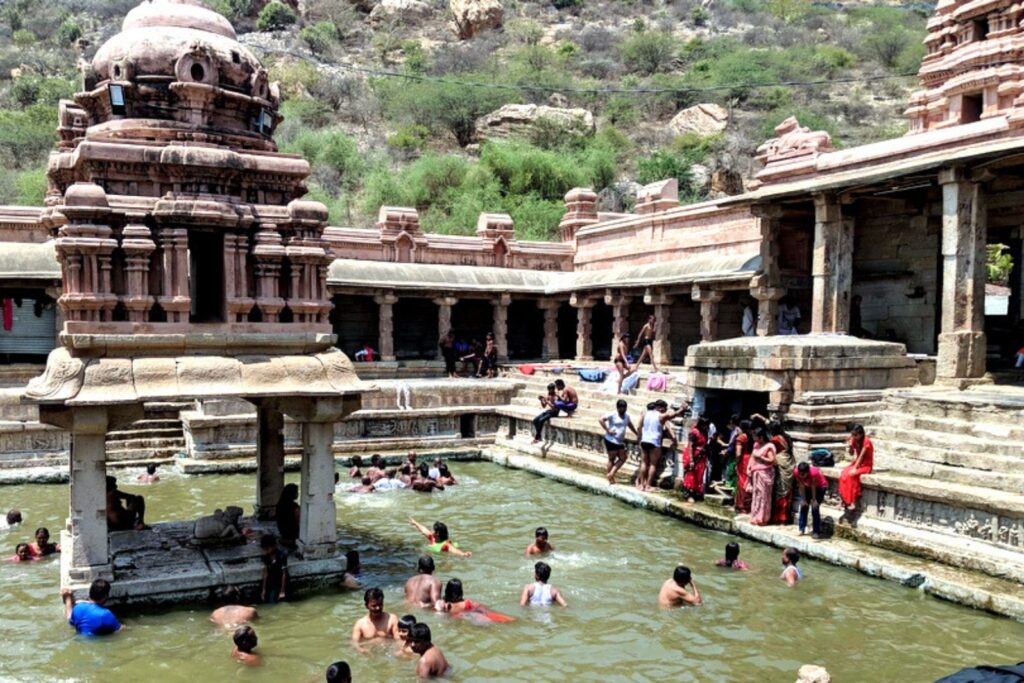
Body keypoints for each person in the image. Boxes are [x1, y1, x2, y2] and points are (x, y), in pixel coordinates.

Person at [638, 400, 685, 492]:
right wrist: (682, 408)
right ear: (660, 408)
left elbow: (639, 427)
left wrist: (639, 438)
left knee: (643, 463)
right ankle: (648, 486)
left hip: (644, 440)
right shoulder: (661, 415)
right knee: (653, 464)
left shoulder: (645, 414)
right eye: (664, 408)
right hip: (654, 442)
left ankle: (641, 485)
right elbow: (674, 415)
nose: (665, 410)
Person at [600, 399, 639, 484]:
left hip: (620, 441)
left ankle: (611, 474)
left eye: (624, 408)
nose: (623, 410)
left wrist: (636, 433)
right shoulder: (612, 414)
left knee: (623, 458)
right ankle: (611, 478)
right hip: (611, 440)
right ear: (617, 408)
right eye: (621, 409)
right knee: (612, 459)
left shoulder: (627, 416)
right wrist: (608, 430)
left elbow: (629, 424)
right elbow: (601, 420)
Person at [839, 424, 874, 515]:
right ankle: (843, 499)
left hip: (866, 465)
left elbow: (862, 456)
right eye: (852, 435)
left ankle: (852, 501)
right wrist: (850, 445)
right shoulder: (854, 440)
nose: (853, 437)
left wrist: (855, 468)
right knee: (843, 473)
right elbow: (851, 454)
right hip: (857, 463)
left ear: (861, 434)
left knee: (851, 475)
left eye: (855, 435)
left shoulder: (867, 441)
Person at [352, 587, 400, 651]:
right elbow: (355, 643)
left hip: (388, 652)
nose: (378, 608)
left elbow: (399, 640)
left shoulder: (392, 619)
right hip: (369, 653)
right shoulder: (360, 624)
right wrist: (361, 650)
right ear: (366, 606)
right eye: (374, 606)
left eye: (380, 604)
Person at [531, 379, 578, 443]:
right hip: (549, 411)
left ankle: (537, 437)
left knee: (541, 420)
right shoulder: (549, 394)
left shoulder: (556, 396)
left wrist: (547, 401)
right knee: (535, 420)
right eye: (549, 390)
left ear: (553, 389)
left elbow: (554, 407)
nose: (550, 391)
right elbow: (544, 406)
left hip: (554, 413)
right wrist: (542, 400)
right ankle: (539, 435)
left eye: (551, 390)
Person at [748, 427, 777, 526]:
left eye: (755, 436)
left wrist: (760, 457)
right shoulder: (756, 445)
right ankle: (755, 517)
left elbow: (772, 460)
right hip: (756, 472)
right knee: (756, 495)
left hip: (765, 473)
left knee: (764, 495)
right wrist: (749, 468)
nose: (754, 438)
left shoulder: (769, 446)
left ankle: (763, 518)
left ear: (761, 437)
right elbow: (752, 457)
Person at [794, 461, 828, 539]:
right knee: (803, 506)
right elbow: (801, 485)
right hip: (807, 486)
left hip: (820, 487)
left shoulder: (814, 473)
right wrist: (803, 499)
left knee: (814, 508)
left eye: (803, 474)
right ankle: (801, 529)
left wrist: (814, 500)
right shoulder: (796, 472)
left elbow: (814, 486)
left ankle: (816, 531)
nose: (801, 476)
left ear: (807, 472)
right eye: (800, 474)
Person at [770, 422, 796, 524]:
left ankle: (780, 518)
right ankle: (784, 518)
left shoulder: (775, 439)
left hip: (781, 463)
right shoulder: (787, 438)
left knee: (780, 491)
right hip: (789, 462)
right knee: (787, 491)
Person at [681, 419, 708, 503]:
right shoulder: (694, 432)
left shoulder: (704, 432)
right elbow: (690, 447)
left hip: (701, 456)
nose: (706, 427)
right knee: (691, 475)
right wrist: (691, 460)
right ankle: (689, 494)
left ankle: (696, 493)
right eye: (704, 425)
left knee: (699, 475)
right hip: (693, 455)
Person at [260, 534, 288, 603]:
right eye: (265, 549)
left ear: (273, 546)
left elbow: (284, 574)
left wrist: (282, 591)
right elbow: (265, 573)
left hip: (280, 581)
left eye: (267, 549)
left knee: (277, 600)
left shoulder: (281, 556)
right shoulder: (266, 557)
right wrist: (264, 589)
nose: (266, 551)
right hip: (271, 581)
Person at [734, 420, 754, 513]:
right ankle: (748, 506)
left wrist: (736, 462)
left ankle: (741, 506)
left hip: (744, 460)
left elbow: (738, 453)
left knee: (742, 483)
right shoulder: (752, 437)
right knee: (749, 482)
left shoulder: (741, 437)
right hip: (752, 459)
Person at [275, 483, 300, 549]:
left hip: (283, 533)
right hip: (293, 534)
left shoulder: (280, 504)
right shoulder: (294, 506)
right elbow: (299, 520)